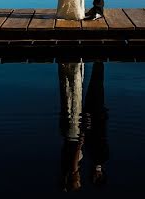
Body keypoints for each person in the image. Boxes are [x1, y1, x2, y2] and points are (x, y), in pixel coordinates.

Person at [58, 61, 84, 192]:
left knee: (74, 100)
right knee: (67, 100)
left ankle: (73, 67)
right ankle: (66, 68)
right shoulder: (65, 168)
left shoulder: (73, 168)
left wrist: (81, 141)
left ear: (74, 178)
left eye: (78, 180)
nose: (80, 177)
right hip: (65, 133)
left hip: (74, 134)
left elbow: (76, 152)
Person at [82, 61, 109, 186]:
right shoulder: (97, 157)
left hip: (98, 119)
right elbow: (96, 137)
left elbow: (100, 137)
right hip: (96, 119)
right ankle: (98, 63)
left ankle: (98, 63)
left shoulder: (101, 158)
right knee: (95, 89)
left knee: (96, 88)